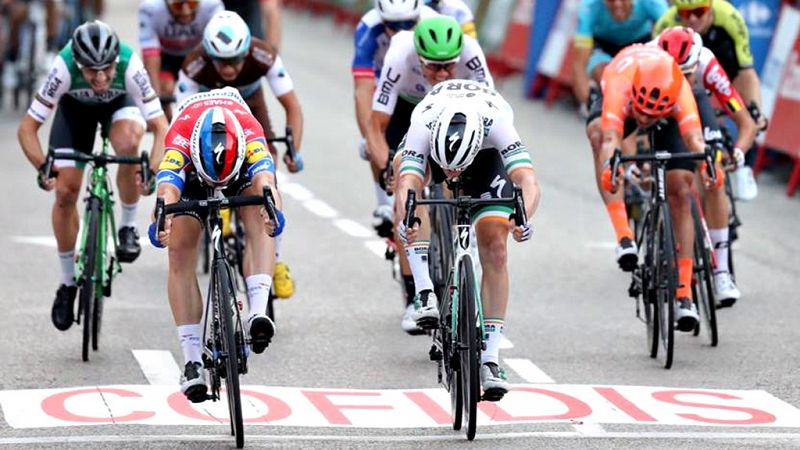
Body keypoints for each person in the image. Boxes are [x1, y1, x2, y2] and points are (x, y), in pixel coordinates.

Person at [393, 79, 540, 400]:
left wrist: (523, 217)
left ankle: (490, 359)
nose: (452, 175)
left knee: (497, 249)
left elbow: (527, 180)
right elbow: (408, 181)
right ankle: (424, 293)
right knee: (406, 190)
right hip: (433, 141)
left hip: (485, 159)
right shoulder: (423, 121)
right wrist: (407, 218)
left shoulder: (497, 122)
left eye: (456, 169)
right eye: (449, 169)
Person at [17, 20, 168, 331]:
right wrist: (43, 165)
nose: (99, 78)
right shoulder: (63, 66)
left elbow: (161, 127)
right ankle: (67, 283)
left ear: (115, 62)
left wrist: (151, 169)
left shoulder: (129, 65)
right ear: (78, 64)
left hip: (119, 106)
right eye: (90, 71)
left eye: (106, 70)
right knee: (65, 192)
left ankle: (127, 227)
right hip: (75, 113)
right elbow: (27, 129)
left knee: (127, 144)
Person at [149, 87, 284, 402]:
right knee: (180, 251)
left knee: (260, 216)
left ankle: (258, 311)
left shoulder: (250, 133)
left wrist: (272, 211)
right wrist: (162, 220)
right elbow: (167, 189)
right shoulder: (179, 140)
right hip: (193, 172)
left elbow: (267, 182)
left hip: (236, 165)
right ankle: (192, 360)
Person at [365, 15, 493, 333]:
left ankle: (461, 237)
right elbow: (377, 125)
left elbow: (490, 114)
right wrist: (386, 172)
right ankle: (415, 295)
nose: (441, 73)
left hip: (459, 111)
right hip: (409, 109)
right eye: (432, 67)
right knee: (405, 188)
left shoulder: (472, 53)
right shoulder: (399, 52)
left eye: (448, 66)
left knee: (459, 170)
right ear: (418, 57)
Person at [592, 44, 721, 331]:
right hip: (623, 94)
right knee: (600, 142)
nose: (645, 121)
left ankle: (685, 294)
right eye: (643, 115)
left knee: (681, 191)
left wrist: (707, 167)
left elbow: (696, 142)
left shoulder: (681, 92)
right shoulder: (619, 84)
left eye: (652, 116)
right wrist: (610, 168)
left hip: (668, 110)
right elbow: (612, 137)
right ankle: (624, 237)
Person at [176, 10, 303, 299]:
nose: (230, 68)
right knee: (207, 166)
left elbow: (292, 106)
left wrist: (293, 149)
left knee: (267, 181)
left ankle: (276, 257)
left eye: (235, 60)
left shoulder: (263, 55)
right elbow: (182, 117)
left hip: (251, 108)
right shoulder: (194, 64)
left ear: (246, 52)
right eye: (222, 62)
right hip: (207, 116)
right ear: (209, 55)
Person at [656, 26, 755, 307]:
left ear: (697, 63)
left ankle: (722, 271)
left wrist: (738, 151)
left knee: (715, 173)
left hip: (699, 107)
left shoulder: (708, 65)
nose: (684, 81)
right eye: (679, 74)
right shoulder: (652, 61)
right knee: (671, 178)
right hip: (663, 104)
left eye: (688, 73)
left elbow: (745, 122)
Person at [352, 0, 436, 237]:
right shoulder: (368, 29)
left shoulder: (432, 22)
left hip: (429, 91)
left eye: (408, 24)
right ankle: (385, 203)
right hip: (392, 90)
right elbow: (363, 90)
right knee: (375, 133)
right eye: (393, 25)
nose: (401, 31)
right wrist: (369, 137)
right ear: (381, 19)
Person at [653, 0, 768, 133]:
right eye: (685, 13)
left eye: (699, 11)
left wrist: (756, 112)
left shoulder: (730, 16)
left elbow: (746, 71)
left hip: (721, 59)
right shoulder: (665, 24)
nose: (692, 19)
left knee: (735, 65)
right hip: (684, 73)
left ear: (710, 7)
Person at [572, 0, 668, 111]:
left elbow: (671, 42)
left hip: (638, 42)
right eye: (610, 0)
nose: (617, 4)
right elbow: (579, 65)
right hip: (603, 44)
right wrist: (589, 108)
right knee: (608, 78)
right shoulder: (589, 7)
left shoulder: (653, 3)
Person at [138, 0, 224, 120]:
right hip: (167, 57)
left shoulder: (212, 5)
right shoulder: (150, 8)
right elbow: (150, 52)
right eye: (178, 5)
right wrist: (155, 97)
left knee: (206, 90)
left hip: (197, 54)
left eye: (192, 4)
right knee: (164, 90)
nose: (186, 11)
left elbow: (219, 46)